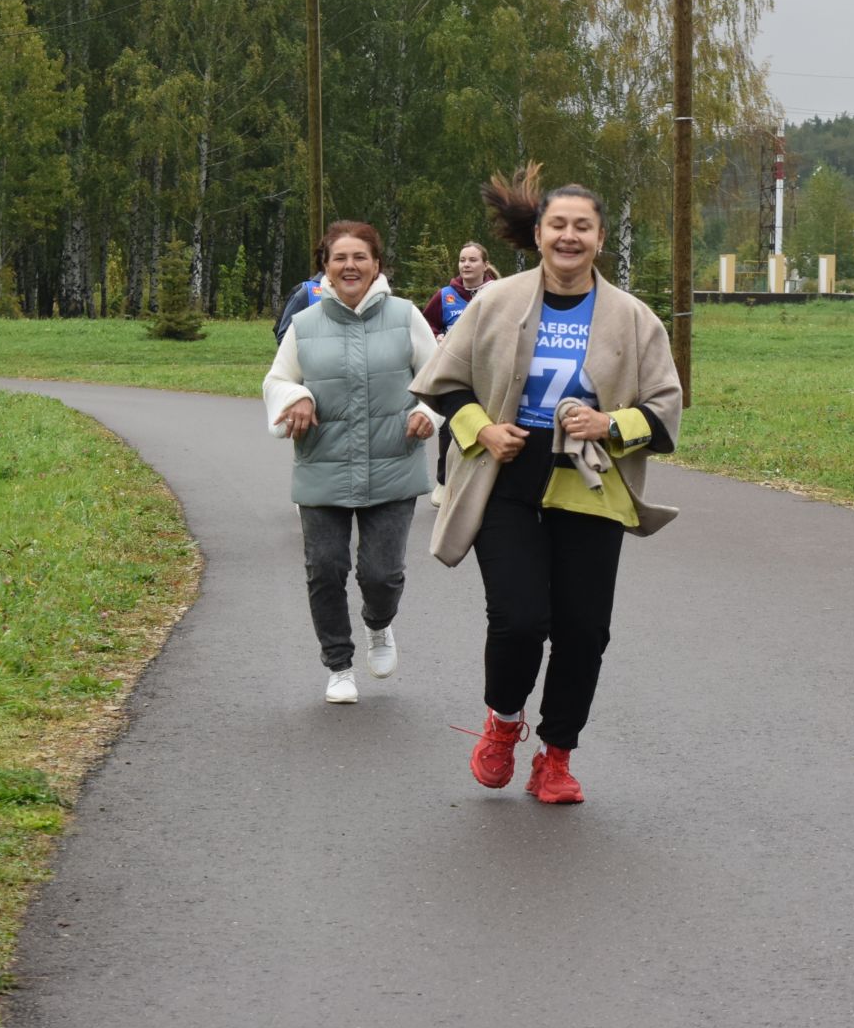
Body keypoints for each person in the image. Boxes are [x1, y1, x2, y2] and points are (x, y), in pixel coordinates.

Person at [411, 165, 682, 804]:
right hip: (508, 475)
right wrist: (483, 432)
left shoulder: (633, 318)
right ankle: (504, 723)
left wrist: (610, 422)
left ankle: (556, 756)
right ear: (538, 235)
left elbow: (666, 413)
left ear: (600, 237)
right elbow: (444, 385)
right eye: (557, 225)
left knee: (584, 629)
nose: (568, 237)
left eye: (581, 227)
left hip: (589, 480)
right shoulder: (496, 303)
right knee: (519, 618)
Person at [263, 221, 440, 705]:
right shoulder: (305, 324)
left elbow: (439, 379)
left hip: (394, 463)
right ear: (325, 267)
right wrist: (296, 395)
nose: (350, 266)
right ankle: (338, 666)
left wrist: (426, 412)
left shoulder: (406, 317)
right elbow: (277, 379)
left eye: (360, 257)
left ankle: (379, 626)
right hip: (323, 463)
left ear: (377, 265)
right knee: (325, 567)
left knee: (381, 575)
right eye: (339, 258)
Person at [419, 242, 501, 506]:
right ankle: (444, 482)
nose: (466, 265)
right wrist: (437, 336)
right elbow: (426, 324)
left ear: (485, 265)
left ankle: (489, 482)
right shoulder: (445, 296)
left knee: (490, 423)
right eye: (462, 260)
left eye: (472, 260)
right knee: (452, 423)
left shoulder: (497, 293)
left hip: (489, 371)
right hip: (455, 370)